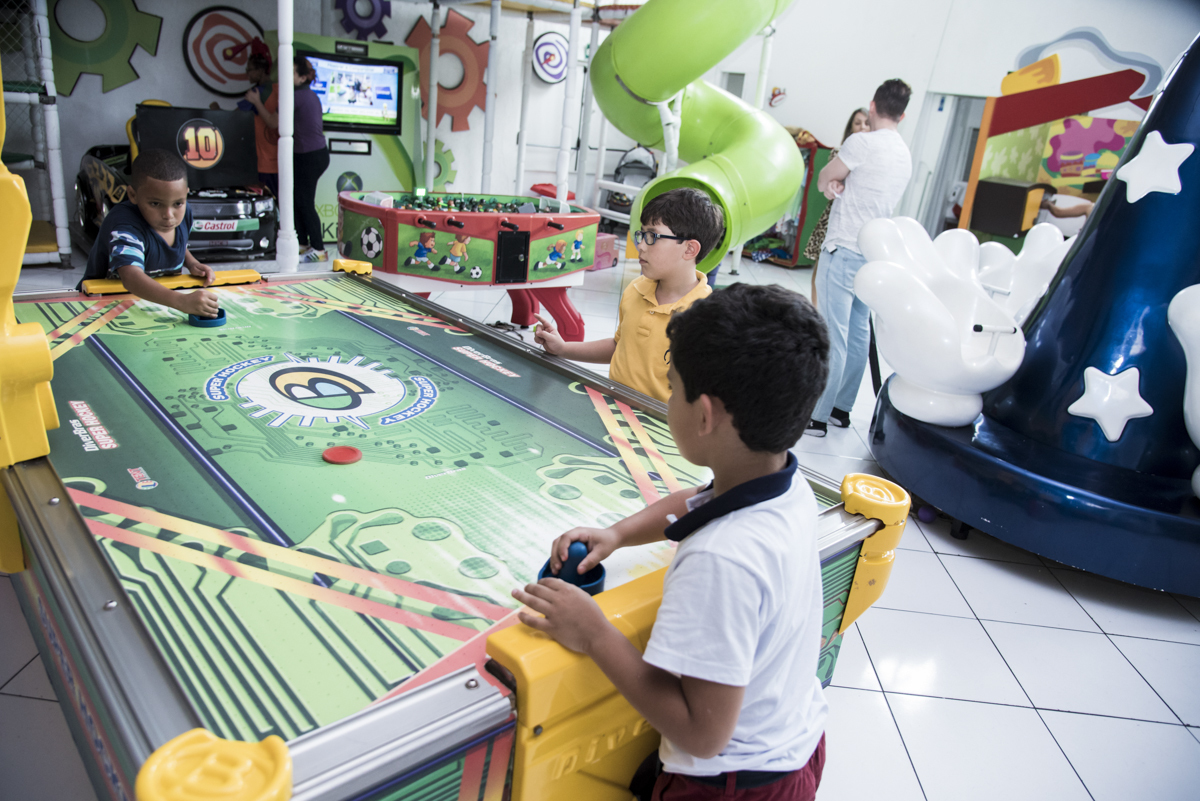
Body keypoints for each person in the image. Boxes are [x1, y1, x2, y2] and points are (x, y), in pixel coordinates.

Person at [514, 283, 831, 801]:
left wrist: (594, 633)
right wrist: (618, 534)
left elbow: (703, 735)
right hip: (795, 743)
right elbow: (694, 500)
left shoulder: (722, 558)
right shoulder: (781, 480)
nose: (668, 399)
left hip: (730, 785)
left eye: (672, 386)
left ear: (703, 415)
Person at [534, 187, 722, 403]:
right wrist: (563, 348)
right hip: (613, 412)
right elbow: (620, 346)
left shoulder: (707, 318)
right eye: (641, 234)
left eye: (652, 236)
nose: (640, 245)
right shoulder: (635, 289)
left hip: (660, 430)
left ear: (689, 249)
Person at [806, 79, 912, 437]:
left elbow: (824, 178)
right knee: (858, 333)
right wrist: (842, 185)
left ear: (872, 106)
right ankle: (841, 409)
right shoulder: (904, 154)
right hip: (874, 253)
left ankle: (817, 415)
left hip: (843, 246)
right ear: (903, 114)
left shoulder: (862, 142)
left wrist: (833, 184)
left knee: (833, 333)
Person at [79, 149, 217, 317]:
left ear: (185, 195)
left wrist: (191, 263)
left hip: (153, 304)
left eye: (177, 203)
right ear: (133, 195)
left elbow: (175, 243)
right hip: (98, 307)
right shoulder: (124, 225)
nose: (169, 215)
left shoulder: (185, 212)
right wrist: (182, 301)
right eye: (155, 203)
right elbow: (131, 277)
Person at [246, 54, 330, 262]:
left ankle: (319, 250)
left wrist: (257, 101)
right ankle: (302, 244)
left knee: (304, 202)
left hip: (309, 157)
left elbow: (274, 123)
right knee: (298, 201)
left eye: (291, 72)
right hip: (313, 155)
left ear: (302, 78)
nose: (285, 76)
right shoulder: (309, 95)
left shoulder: (294, 97)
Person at [803, 108, 870, 309]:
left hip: (859, 223)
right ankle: (815, 310)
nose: (862, 127)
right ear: (851, 127)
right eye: (857, 123)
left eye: (866, 123)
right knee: (820, 267)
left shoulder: (872, 156)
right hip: (834, 218)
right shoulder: (840, 153)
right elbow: (826, 184)